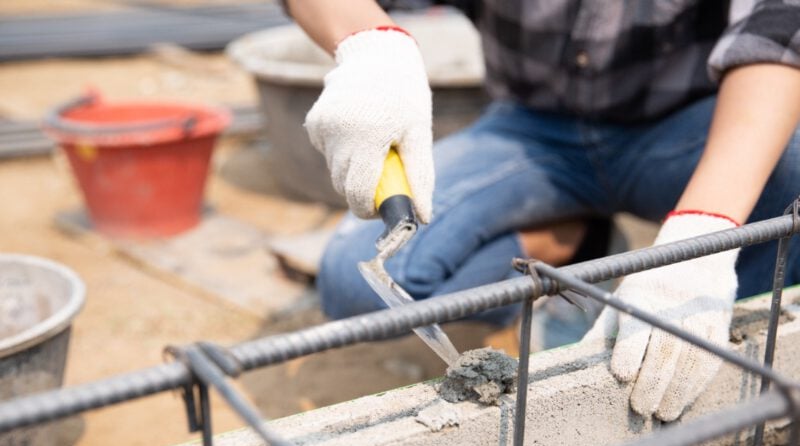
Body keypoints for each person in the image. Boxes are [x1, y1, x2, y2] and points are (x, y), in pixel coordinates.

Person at [284, 0, 800, 421]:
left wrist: (702, 234)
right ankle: (568, 243)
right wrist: (371, 45)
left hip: (684, 128)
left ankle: (730, 365)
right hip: (532, 133)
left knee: (793, 170)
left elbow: (779, 24)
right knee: (353, 281)